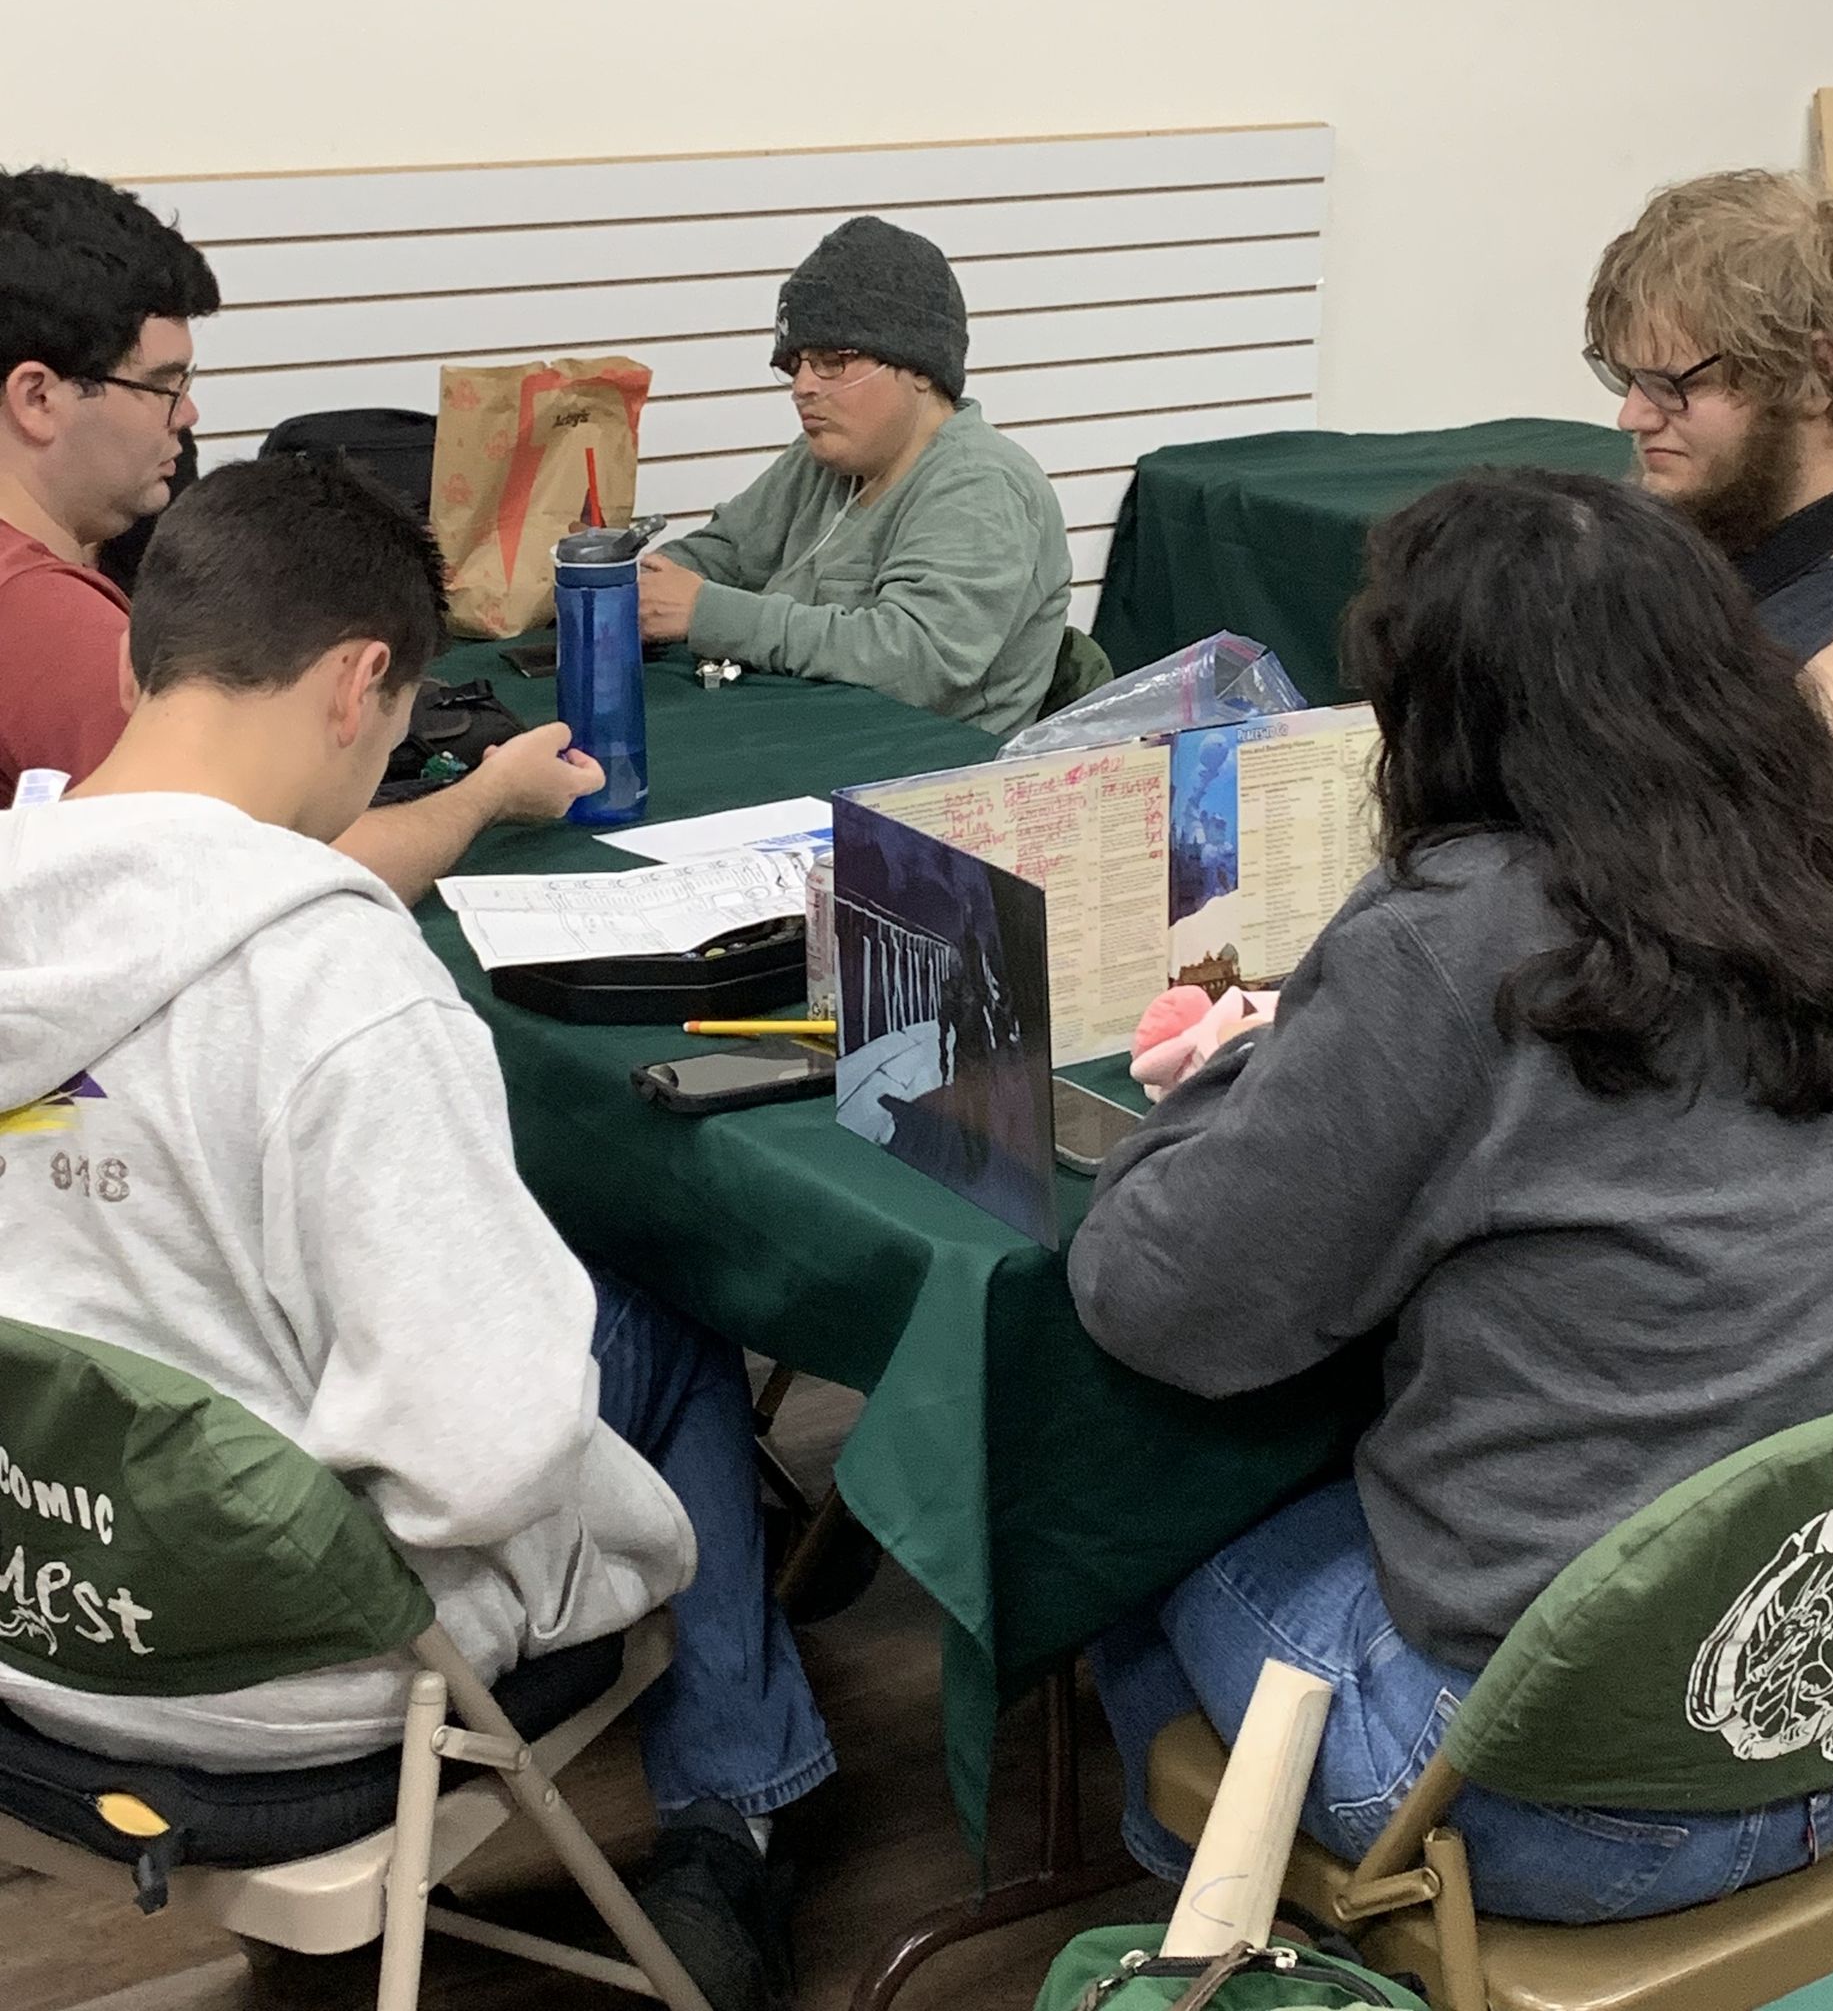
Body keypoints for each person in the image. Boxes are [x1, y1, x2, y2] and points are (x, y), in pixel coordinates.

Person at [0, 456, 830, 2011]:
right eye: (395, 731)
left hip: (33, 1621)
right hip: (292, 1682)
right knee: (653, 1319)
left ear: (133, 667)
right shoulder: (337, 984)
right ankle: (738, 1816)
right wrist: (615, 1530)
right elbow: (481, 1460)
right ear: (357, 684)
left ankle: (746, 1785)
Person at [1069, 468, 1833, 1926]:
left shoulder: (1460, 933)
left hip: (1548, 1802)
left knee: (1123, 1536)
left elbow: (1162, 1302)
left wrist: (1250, 1064)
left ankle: (1235, 1956)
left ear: (1438, 713)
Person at [0, 165, 595, 899]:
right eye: (162, 385)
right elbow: (258, 874)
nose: (187, 415)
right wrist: (491, 795)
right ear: (37, 398)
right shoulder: (43, 618)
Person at [640, 215, 1071, 735]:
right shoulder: (825, 460)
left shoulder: (983, 488)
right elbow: (727, 553)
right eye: (795, 364)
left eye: (831, 361)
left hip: (922, 764)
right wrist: (628, 590)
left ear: (919, 368)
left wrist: (711, 615)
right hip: (807, 734)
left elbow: (914, 662)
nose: (802, 386)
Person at [1582, 167, 1833, 817]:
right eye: (1627, 378)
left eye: (1674, 384)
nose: (1633, 415)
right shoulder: (1711, 559)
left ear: (1816, 373)